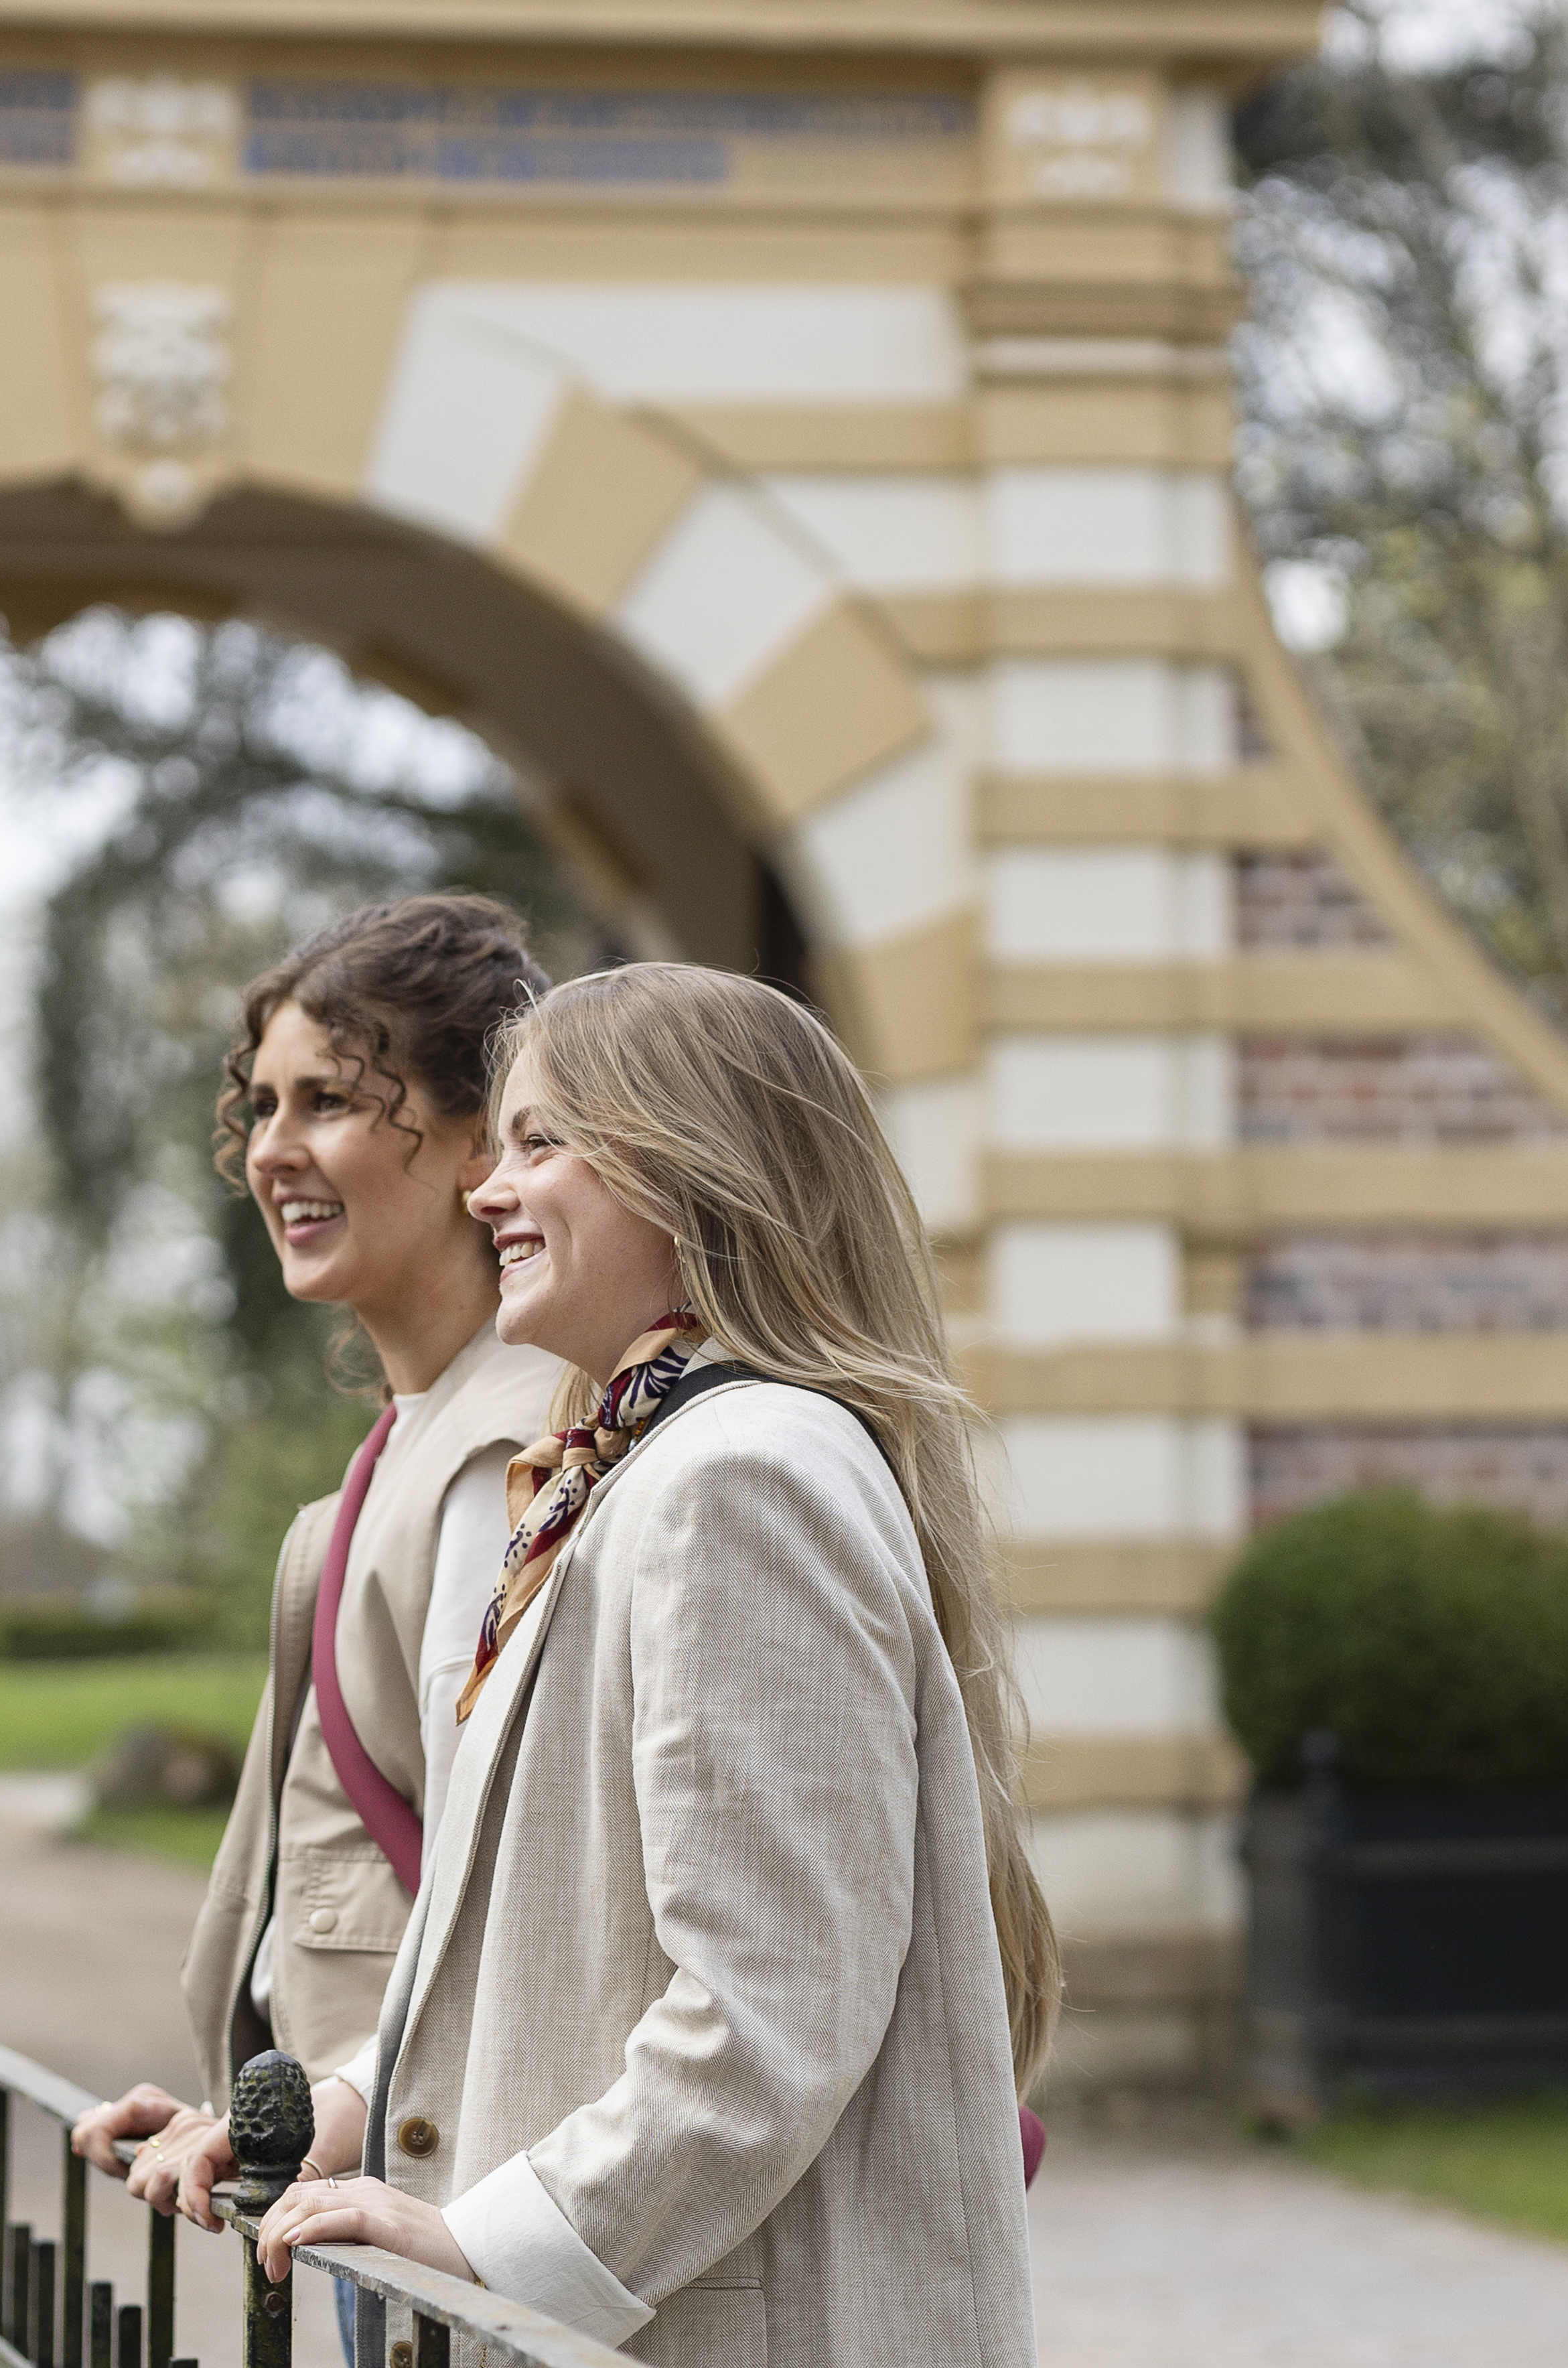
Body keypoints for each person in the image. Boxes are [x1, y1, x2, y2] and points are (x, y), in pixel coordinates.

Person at [246, 963, 1063, 2367]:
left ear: (697, 1168)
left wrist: (486, 2248)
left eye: (542, 1142)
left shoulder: (738, 1476)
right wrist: (343, 2106)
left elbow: (770, 2004)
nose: (489, 1191)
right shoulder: (636, 1469)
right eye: (493, 1143)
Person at [70, 894, 566, 2240]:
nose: (274, 1151)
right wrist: (235, 2118)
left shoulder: (498, 1459)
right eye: (266, 1106)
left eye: (333, 1101)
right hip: (372, 2179)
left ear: (477, 1136)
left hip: (437, 2208)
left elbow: (505, 1900)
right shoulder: (420, 1439)